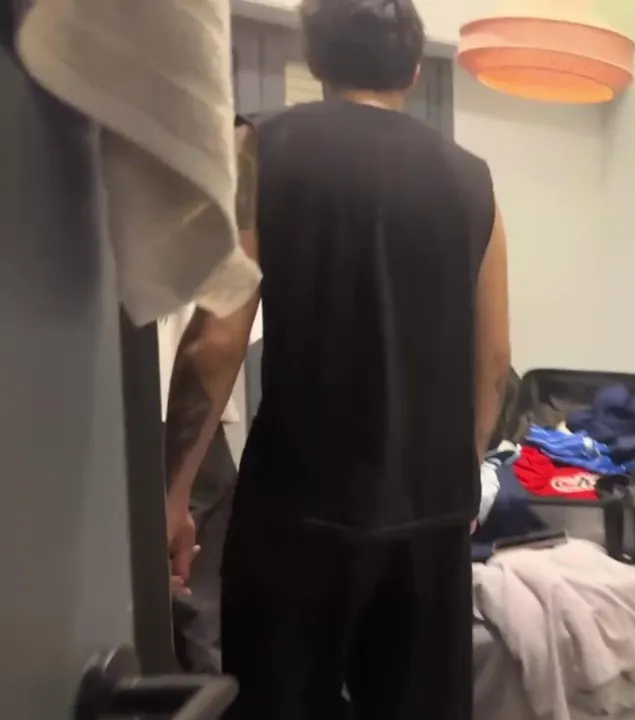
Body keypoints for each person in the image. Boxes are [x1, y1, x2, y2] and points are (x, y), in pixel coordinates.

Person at [162, 0, 512, 716]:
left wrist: (173, 493)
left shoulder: (257, 148)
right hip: (431, 515)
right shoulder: (474, 180)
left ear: (315, 60)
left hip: (298, 513)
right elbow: (496, 356)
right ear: (413, 72)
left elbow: (218, 341)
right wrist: (463, 469)